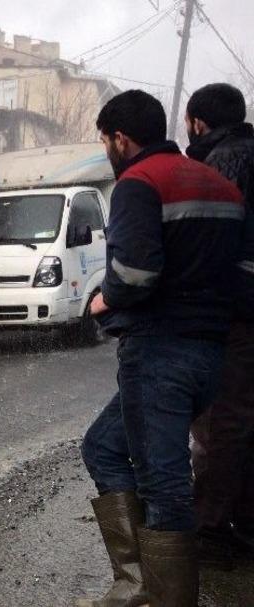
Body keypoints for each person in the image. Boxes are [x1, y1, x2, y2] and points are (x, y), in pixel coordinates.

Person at [77, 90, 245, 607]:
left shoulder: (138, 183)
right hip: (210, 354)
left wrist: (103, 301)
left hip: (157, 354)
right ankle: (137, 586)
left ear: (121, 139)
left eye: (106, 140)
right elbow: (247, 272)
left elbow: (135, 273)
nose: (107, 149)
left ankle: (164, 597)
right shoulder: (223, 186)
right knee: (103, 447)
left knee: (163, 481)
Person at [185, 83, 254, 570]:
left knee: (224, 417)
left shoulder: (225, 160)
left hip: (237, 308)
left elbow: (209, 238)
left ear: (197, 123)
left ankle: (210, 526)